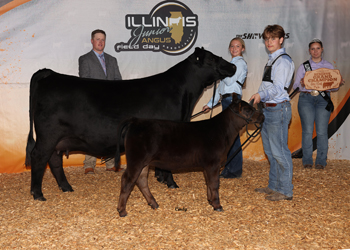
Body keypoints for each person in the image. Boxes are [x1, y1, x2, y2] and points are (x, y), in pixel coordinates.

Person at [249, 24, 295, 201]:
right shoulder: (272, 60)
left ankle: (286, 190)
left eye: (273, 38)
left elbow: (277, 89)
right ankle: (273, 185)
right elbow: (266, 85)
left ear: (281, 39)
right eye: (267, 38)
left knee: (280, 151)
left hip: (278, 109)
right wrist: (258, 97)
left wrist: (260, 95)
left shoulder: (283, 61)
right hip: (268, 110)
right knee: (270, 150)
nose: (269, 42)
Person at [202, 37, 248, 178]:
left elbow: (229, 82)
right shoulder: (229, 65)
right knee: (227, 138)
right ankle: (230, 168)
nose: (234, 48)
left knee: (232, 138)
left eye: (238, 46)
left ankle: (234, 170)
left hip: (233, 102)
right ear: (229, 48)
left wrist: (219, 72)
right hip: (227, 101)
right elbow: (221, 88)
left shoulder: (240, 64)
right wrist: (210, 104)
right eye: (232, 46)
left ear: (242, 49)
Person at [79, 29, 123, 174]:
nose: (100, 42)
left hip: (111, 103)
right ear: (92, 41)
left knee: (111, 132)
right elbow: (85, 82)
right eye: (97, 39)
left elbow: (118, 81)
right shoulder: (84, 59)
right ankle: (89, 165)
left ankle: (110, 163)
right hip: (93, 103)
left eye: (103, 39)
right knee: (91, 133)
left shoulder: (112, 59)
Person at [293, 38, 341, 170]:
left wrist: (337, 83)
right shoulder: (303, 66)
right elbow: (295, 86)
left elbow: (334, 88)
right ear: (309, 51)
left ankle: (321, 161)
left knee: (321, 132)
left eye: (318, 48)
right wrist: (302, 84)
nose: (315, 51)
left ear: (322, 49)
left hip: (323, 100)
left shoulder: (329, 66)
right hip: (306, 98)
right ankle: (307, 160)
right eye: (313, 49)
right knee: (307, 131)